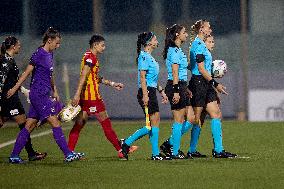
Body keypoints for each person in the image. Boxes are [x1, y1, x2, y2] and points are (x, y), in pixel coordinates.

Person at [7, 27, 84, 163]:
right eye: (57, 43)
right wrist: (14, 88)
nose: (58, 46)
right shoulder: (39, 54)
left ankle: (14, 155)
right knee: (55, 122)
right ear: (49, 40)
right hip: (38, 95)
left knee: (29, 126)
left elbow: (50, 74)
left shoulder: (50, 54)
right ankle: (68, 154)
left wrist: (55, 90)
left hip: (44, 94)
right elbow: (26, 73)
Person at [68, 34, 137, 159]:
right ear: (95, 45)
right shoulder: (90, 58)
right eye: (102, 45)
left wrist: (112, 83)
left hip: (86, 98)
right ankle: (121, 150)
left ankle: (69, 153)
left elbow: (94, 78)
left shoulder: (89, 57)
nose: (104, 48)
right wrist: (76, 95)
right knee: (106, 124)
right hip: (92, 98)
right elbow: (83, 76)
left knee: (78, 125)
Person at [188, 20, 236, 158]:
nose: (211, 29)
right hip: (198, 83)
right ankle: (172, 143)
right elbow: (201, 69)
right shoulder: (198, 45)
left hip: (204, 83)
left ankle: (218, 150)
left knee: (215, 114)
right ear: (202, 29)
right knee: (197, 119)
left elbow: (192, 66)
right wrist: (215, 84)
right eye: (208, 27)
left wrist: (212, 86)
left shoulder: (201, 45)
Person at [121, 32, 170, 160]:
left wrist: (162, 91)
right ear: (148, 43)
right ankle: (126, 143)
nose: (156, 40)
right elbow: (142, 77)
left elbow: (152, 79)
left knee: (155, 122)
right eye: (154, 38)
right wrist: (145, 95)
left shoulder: (150, 57)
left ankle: (155, 154)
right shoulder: (143, 56)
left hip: (151, 90)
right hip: (146, 92)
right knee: (150, 125)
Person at [0, 36, 46, 161]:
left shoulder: (10, 60)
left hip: (10, 97)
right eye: (18, 44)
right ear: (13, 46)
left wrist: (24, 91)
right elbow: (1, 82)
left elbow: (12, 81)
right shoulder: (6, 61)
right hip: (8, 99)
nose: (20, 46)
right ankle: (29, 154)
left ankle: (31, 153)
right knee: (25, 125)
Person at [160, 24, 192, 159]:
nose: (187, 34)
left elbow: (182, 72)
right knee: (179, 120)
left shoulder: (179, 50)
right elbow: (174, 72)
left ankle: (170, 143)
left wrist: (186, 88)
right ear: (177, 35)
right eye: (184, 32)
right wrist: (177, 91)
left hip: (182, 85)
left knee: (191, 118)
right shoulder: (173, 50)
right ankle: (174, 152)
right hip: (175, 86)